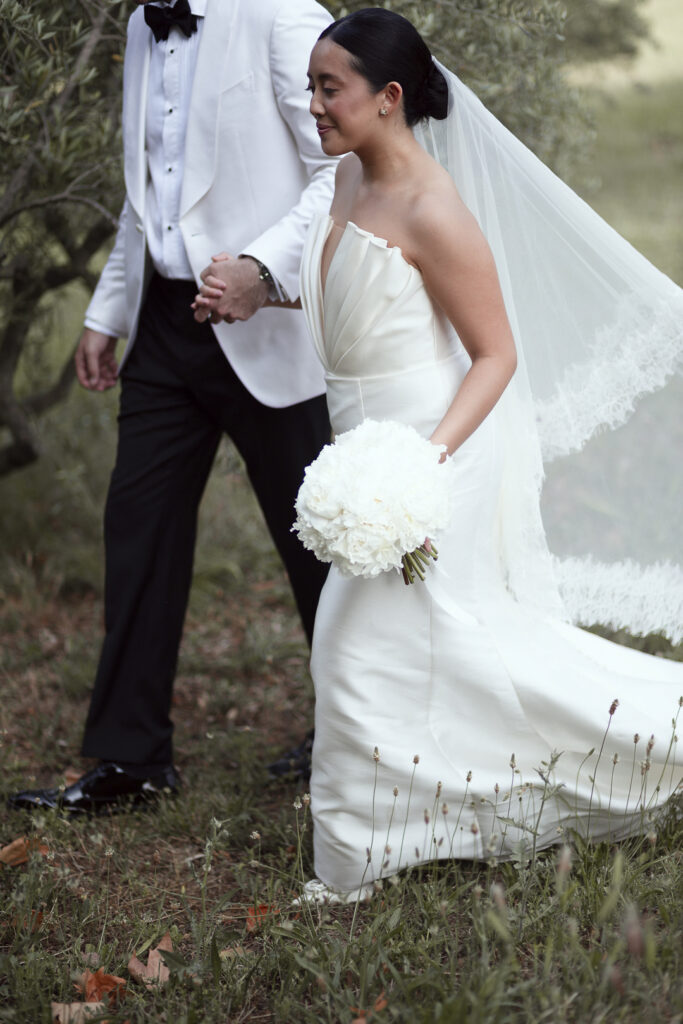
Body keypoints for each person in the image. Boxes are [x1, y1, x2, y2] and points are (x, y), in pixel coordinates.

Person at [199, 8, 683, 902]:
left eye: (327, 87)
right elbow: (357, 301)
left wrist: (421, 465)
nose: (310, 105)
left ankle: (346, 868)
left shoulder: (435, 210)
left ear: (388, 98)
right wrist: (261, 296)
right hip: (363, 446)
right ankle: (440, 808)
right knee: (446, 644)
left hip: (429, 453)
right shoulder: (343, 182)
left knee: (349, 646)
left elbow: (496, 356)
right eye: (309, 86)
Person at [8, 0, 337, 816]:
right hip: (163, 323)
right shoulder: (138, 25)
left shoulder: (282, 15)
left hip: (270, 324)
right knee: (139, 529)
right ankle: (130, 758)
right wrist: (106, 311)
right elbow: (150, 188)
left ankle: (357, 726)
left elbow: (343, 165)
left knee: (321, 545)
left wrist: (264, 268)